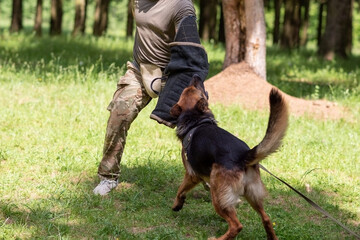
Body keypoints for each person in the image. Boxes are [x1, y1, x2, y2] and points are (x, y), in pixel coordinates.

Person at [93, 0, 209, 195]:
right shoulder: (137, 2)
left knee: (194, 130)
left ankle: (210, 178)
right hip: (141, 71)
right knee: (119, 114)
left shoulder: (181, 6)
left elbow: (191, 53)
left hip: (174, 75)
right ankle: (108, 177)